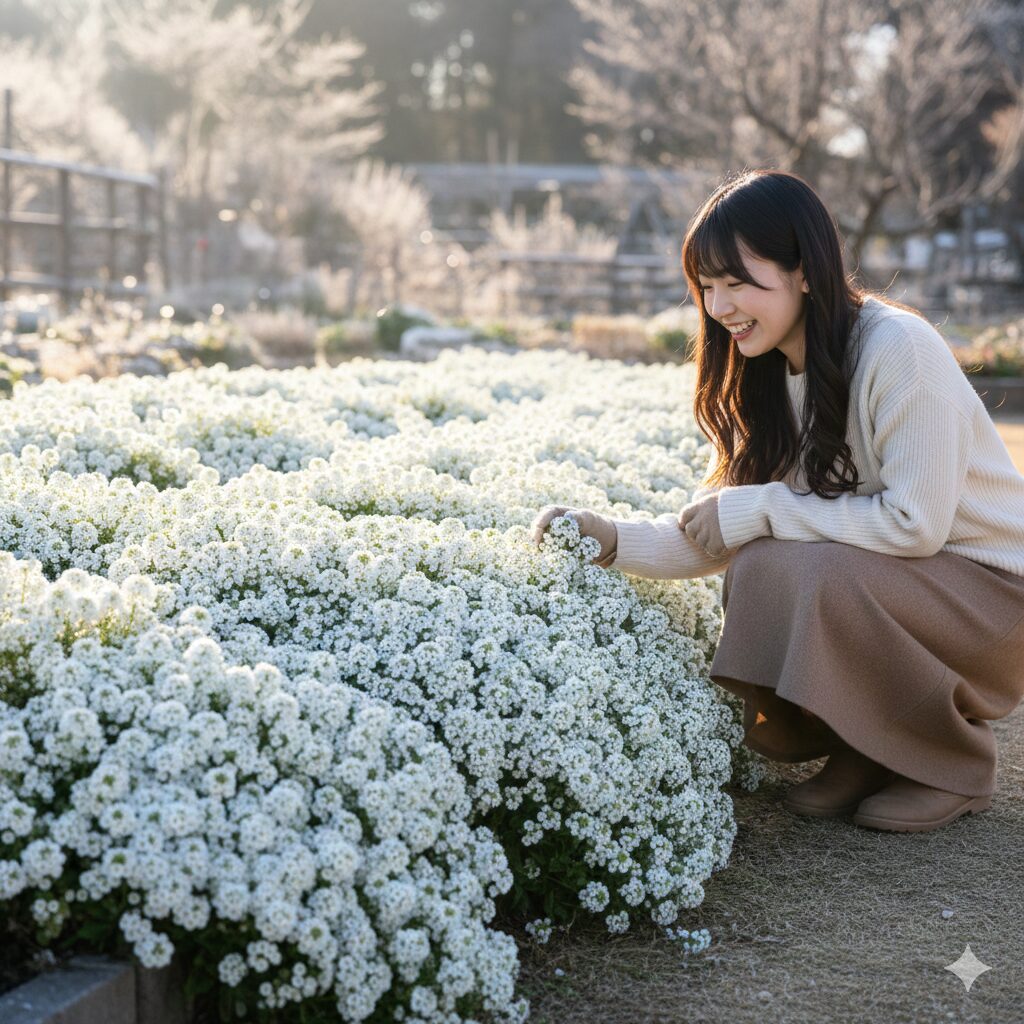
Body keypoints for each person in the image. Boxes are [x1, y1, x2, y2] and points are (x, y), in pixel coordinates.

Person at [531, 169, 1024, 835]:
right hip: (911, 591)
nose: (719, 304)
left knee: (807, 566)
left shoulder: (898, 349)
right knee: (762, 564)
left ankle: (953, 764)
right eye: (706, 285)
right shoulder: (766, 376)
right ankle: (868, 749)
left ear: (805, 273)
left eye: (738, 281)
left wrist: (760, 508)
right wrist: (608, 539)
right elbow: (724, 528)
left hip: (995, 605)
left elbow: (917, 525)